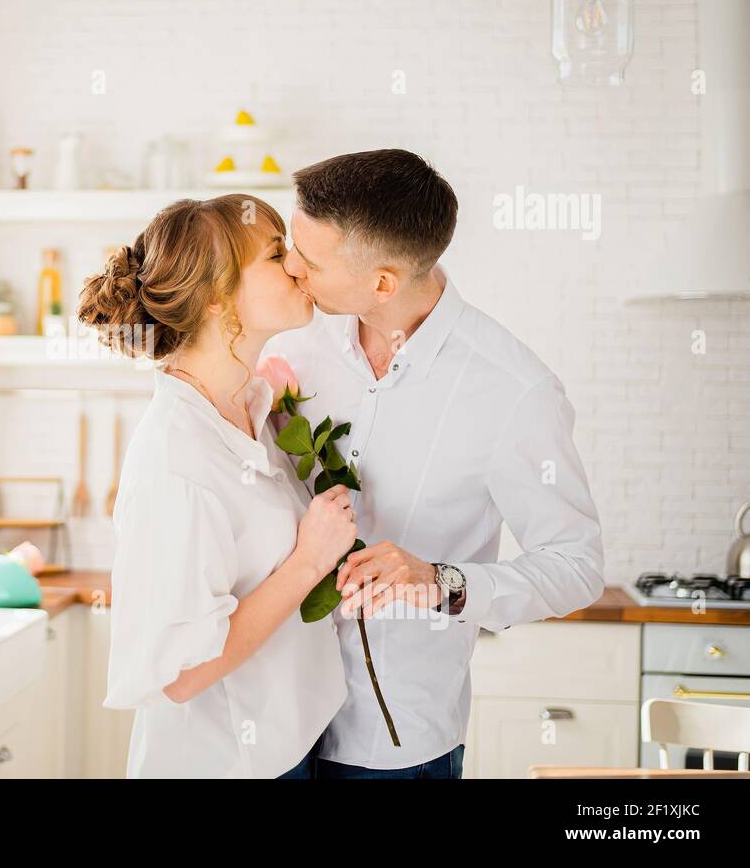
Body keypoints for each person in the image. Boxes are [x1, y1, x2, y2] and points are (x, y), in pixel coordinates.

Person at [264, 149, 605, 778]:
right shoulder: (286, 348)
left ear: (383, 283)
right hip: (274, 725)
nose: (289, 267)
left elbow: (577, 567)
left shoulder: (514, 390)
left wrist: (441, 582)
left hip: (393, 742)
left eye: (309, 261)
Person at [77, 194, 355, 778]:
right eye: (277, 255)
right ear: (215, 298)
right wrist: (308, 561)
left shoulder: (253, 408)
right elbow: (180, 675)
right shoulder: (175, 462)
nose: (298, 267)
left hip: (288, 748)